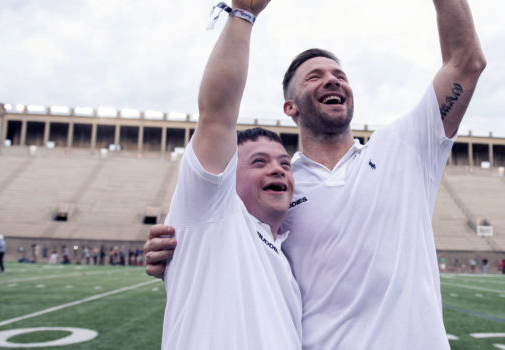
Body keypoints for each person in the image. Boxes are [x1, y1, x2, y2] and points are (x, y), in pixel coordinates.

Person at [146, 0, 485, 348]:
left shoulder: (404, 149)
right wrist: (178, 251)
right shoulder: (276, 194)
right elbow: (216, 236)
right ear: (290, 107)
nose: (332, 81)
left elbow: (466, 65)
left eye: (340, 76)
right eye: (315, 77)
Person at [161, 1, 301, 347]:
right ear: (226, 177)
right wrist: (244, 14)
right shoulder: (214, 212)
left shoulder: (285, 255)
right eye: (259, 162)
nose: (277, 169)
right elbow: (216, 115)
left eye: (285, 163)